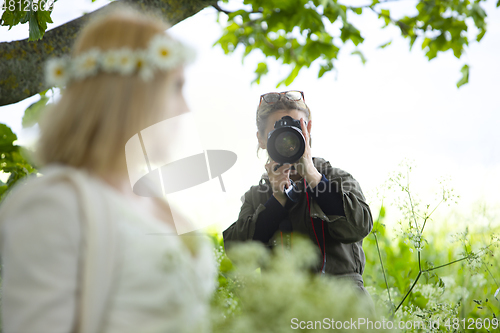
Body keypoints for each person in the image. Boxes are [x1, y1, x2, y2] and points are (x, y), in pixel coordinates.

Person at [0, 5, 216, 333]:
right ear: (132, 94)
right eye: (176, 87)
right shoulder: (54, 204)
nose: (187, 108)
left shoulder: (153, 199)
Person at [223, 90, 374, 297]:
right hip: (283, 314)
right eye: (276, 134)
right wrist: (277, 200)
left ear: (308, 129)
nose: (288, 141)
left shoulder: (337, 179)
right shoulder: (258, 196)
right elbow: (237, 255)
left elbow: (359, 226)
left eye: (295, 129)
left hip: (344, 311)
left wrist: (313, 177)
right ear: (261, 139)